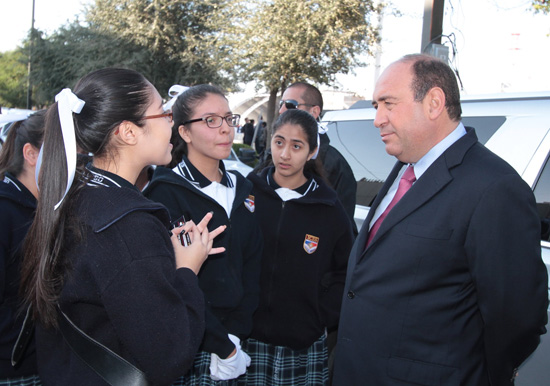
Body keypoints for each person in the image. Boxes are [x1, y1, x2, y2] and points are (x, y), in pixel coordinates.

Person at [333, 54, 548, 385]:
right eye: (376, 105)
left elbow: (517, 318)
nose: (377, 119)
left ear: (434, 102)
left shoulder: (494, 189)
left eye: (388, 103)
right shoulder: (404, 167)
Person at [19, 68, 225, 386]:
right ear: (128, 132)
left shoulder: (76, 192)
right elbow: (170, 355)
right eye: (163, 112)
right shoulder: (129, 225)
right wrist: (186, 268)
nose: (172, 120)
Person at [144, 84, 262, 385]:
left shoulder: (244, 188)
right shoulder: (166, 194)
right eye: (211, 120)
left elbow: (253, 262)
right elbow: (174, 281)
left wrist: (236, 334)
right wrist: (221, 345)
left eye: (228, 118)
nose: (225, 130)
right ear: (184, 132)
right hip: (191, 341)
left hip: (236, 339)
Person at [241, 109, 353, 385]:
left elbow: (345, 272)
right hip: (246, 338)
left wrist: (319, 316)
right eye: (279, 142)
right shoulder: (246, 192)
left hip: (302, 343)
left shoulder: (328, 208)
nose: (285, 154)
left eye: (296, 146)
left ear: (312, 151)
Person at [0, 111, 45, 386]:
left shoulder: (47, 209)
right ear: (30, 154)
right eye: (62, 154)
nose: (74, 165)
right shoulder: (5, 211)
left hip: (42, 363)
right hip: (13, 370)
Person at [278, 82, 357, 235]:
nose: (282, 110)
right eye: (281, 104)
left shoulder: (336, 165)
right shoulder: (271, 155)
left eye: (290, 104)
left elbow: (343, 233)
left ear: (314, 111)